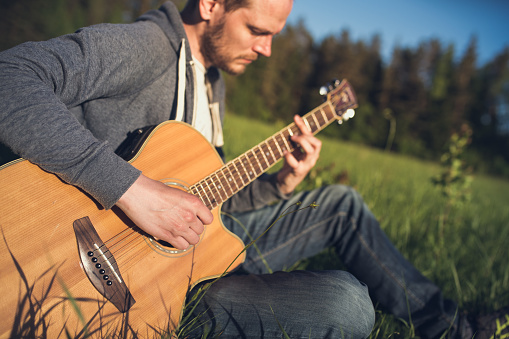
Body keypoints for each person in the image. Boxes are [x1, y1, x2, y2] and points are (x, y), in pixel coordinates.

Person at [0, 0, 506, 338]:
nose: (267, 49)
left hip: (192, 253)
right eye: (258, 31)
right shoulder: (143, 48)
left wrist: (281, 183)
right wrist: (131, 188)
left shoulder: (211, 81)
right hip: (122, 276)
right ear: (212, 5)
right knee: (347, 306)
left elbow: (202, 199)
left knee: (342, 205)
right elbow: (10, 77)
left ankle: (453, 328)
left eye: (273, 36)